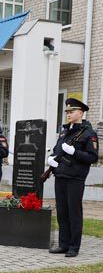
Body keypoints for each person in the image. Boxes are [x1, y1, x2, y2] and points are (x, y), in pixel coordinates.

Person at [48, 98, 99, 257]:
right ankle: (63, 244)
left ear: (81, 113)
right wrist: (51, 158)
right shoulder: (65, 131)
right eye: (67, 112)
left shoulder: (88, 133)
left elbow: (92, 157)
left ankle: (73, 247)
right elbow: (57, 150)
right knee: (62, 212)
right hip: (61, 175)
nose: (68, 114)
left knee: (73, 212)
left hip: (75, 178)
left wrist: (74, 152)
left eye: (72, 112)